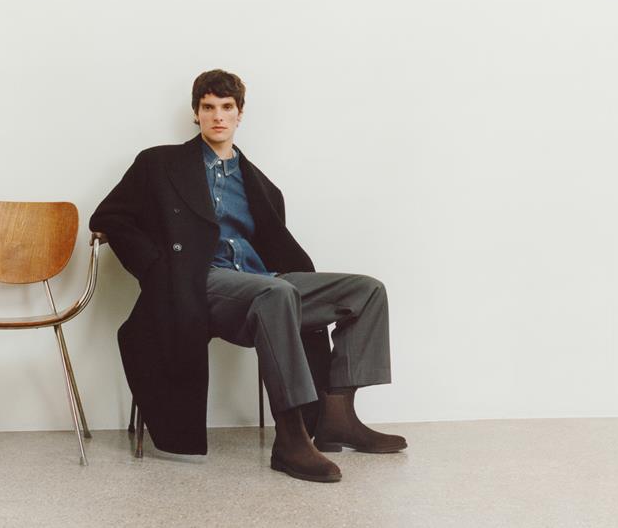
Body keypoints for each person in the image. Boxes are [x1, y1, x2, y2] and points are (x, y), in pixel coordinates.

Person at [90, 69, 406, 483]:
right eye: (208, 107)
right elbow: (108, 217)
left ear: (240, 115)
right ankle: (291, 439)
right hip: (200, 284)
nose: (217, 116)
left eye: (226, 107)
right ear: (195, 114)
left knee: (366, 291)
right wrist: (156, 269)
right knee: (276, 293)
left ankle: (337, 416)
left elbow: (276, 251)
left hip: (261, 281)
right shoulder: (159, 164)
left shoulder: (262, 185)